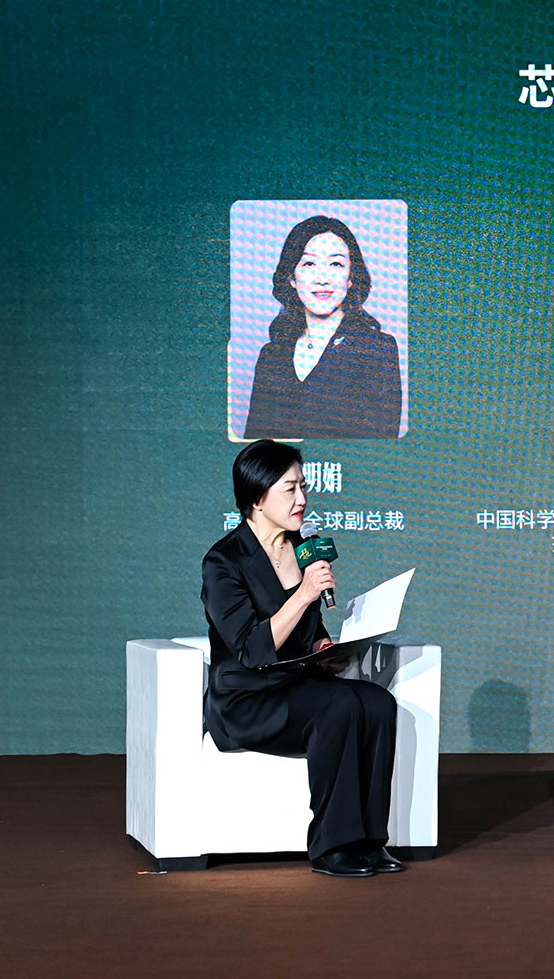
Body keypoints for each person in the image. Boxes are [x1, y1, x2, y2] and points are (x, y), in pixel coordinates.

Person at [201, 439, 402, 877]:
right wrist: (305, 593)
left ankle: (371, 841)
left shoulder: (302, 548)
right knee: (339, 704)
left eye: (303, 487)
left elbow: (309, 631)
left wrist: (323, 649)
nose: (302, 499)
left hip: (297, 687)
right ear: (257, 497)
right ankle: (333, 846)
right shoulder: (223, 562)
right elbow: (250, 649)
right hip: (247, 699)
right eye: (289, 489)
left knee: (378, 703)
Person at [243, 215, 404, 439]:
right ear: (291, 277)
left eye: (335, 264)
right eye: (309, 264)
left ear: (351, 278)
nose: (322, 278)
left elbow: (379, 446)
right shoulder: (272, 356)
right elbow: (256, 446)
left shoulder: (377, 349)